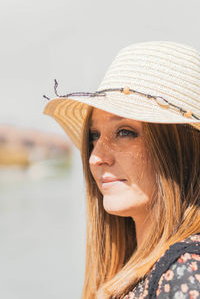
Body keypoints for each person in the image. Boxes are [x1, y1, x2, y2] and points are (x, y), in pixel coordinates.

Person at [43, 41, 200, 299]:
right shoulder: (151, 268)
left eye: (125, 132)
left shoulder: (183, 272)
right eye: (94, 136)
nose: (95, 157)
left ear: (180, 148)